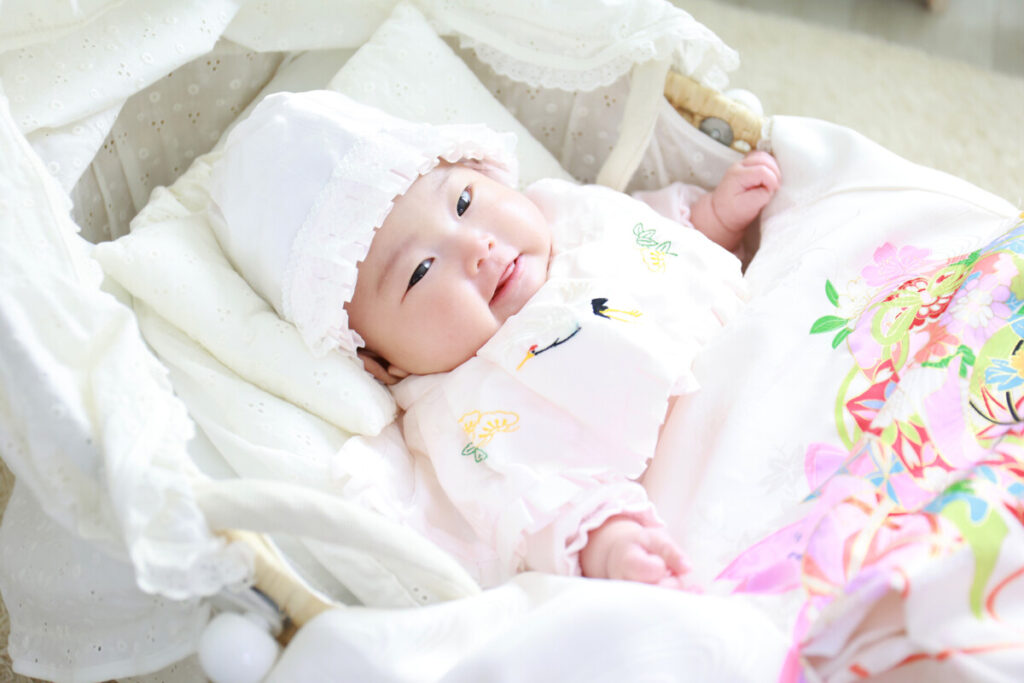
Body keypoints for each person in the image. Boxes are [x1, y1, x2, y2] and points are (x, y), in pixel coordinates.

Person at [210, 90, 780, 589]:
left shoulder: (564, 212)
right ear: (382, 363)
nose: (475, 248)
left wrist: (713, 218)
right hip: (713, 480)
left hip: (770, 352)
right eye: (420, 272)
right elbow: (521, 500)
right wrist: (608, 541)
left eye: (463, 203)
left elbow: (653, 240)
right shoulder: (461, 411)